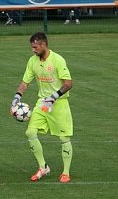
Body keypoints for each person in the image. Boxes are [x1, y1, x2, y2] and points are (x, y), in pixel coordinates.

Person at [10, 32, 74, 183]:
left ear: (43, 45)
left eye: (35, 47)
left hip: (59, 103)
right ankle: (43, 166)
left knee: (64, 137)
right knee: (30, 132)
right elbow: (25, 82)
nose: (33, 50)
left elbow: (68, 83)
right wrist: (16, 98)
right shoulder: (32, 61)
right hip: (42, 103)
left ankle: (66, 172)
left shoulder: (57, 60)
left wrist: (54, 97)